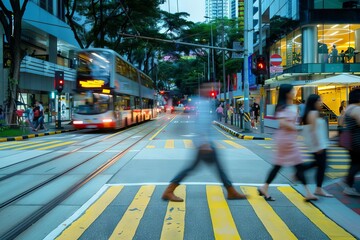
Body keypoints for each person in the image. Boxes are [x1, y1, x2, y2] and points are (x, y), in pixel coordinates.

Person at [162, 83, 247, 202]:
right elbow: (201, 123)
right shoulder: (202, 103)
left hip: (204, 143)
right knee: (202, 168)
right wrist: (204, 143)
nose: (212, 90)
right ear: (201, 89)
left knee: (205, 167)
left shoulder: (206, 102)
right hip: (204, 144)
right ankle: (169, 191)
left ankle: (231, 191)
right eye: (209, 87)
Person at [258, 84, 318, 201]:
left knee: (280, 165)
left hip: (289, 139)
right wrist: (298, 128)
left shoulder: (292, 106)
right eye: (292, 90)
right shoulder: (282, 107)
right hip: (285, 140)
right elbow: (282, 123)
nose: (295, 92)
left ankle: (264, 187)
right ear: (287, 93)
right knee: (297, 164)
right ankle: (308, 193)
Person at [302, 94, 333, 197]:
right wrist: (318, 145)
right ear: (314, 102)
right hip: (318, 144)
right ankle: (318, 189)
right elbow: (313, 131)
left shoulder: (311, 113)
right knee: (321, 166)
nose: (321, 103)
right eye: (319, 101)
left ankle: (300, 171)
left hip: (319, 143)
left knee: (319, 164)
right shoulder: (313, 113)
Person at [342, 88, 360, 196]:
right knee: (356, 164)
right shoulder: (356, 109)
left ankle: (348, 183)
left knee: (355, 163)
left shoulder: (348, 109)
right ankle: (348, 185)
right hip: (358, 142)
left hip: (351, 142)